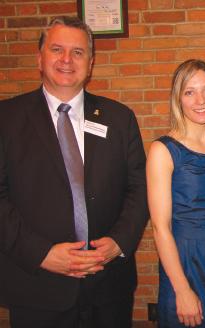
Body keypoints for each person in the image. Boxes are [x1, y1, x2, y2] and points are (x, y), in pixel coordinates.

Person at [0, 16, 148, 327]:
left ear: (91, 63)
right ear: (40, 57)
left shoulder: (119, 119)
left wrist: (120, 241)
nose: (67, 60)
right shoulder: (7, 119)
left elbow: (139, 188)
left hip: (108, 286)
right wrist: (41, 253)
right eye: (57, 49)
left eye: (78, 52)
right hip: (37, 285)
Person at [147, 59, 205, 327]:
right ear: (179, 99)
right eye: (189, 92)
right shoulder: (164, 150)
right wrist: (182, 290)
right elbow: (160, 228)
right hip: (184, 261)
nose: (200, 100)